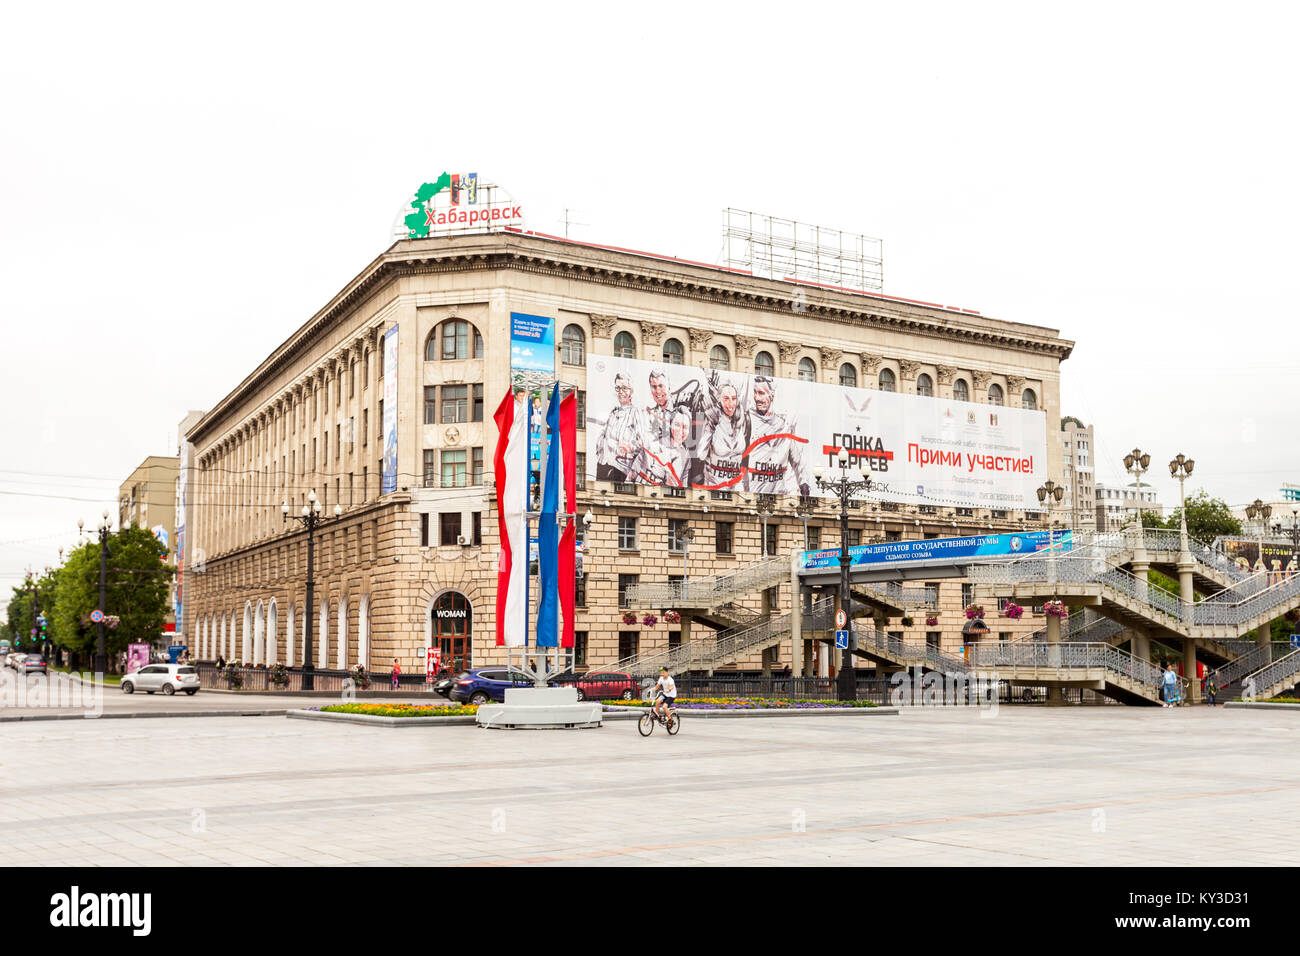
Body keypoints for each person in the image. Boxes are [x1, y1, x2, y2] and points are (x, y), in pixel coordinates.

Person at [745, 376, 811, 497]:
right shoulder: (746, 419)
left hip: (779, 497)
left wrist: (803, 482)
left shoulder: (783, 425)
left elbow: (797, 460)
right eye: (755, 393)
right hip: (751, 495)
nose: (756, 397)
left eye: (761, 393)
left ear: (772, 396)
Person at [698, 373, 748, 489]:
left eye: (733, 399)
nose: (730, 403)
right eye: (726, 399)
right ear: (719, 400)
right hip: (714, 485)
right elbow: (701, 454)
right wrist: (711, 427)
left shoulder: (741, 422)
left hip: (737, 487)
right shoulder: (712, 420)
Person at [595, 373, 645, 481]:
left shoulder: (636, 412)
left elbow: (642, 443)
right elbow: (603, 436)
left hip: (621, 468)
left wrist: (630, 447)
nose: (620, 392)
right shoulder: (613, 412)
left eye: (624, 388)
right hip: (603, 465)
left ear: (631, 391)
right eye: (618, 388)